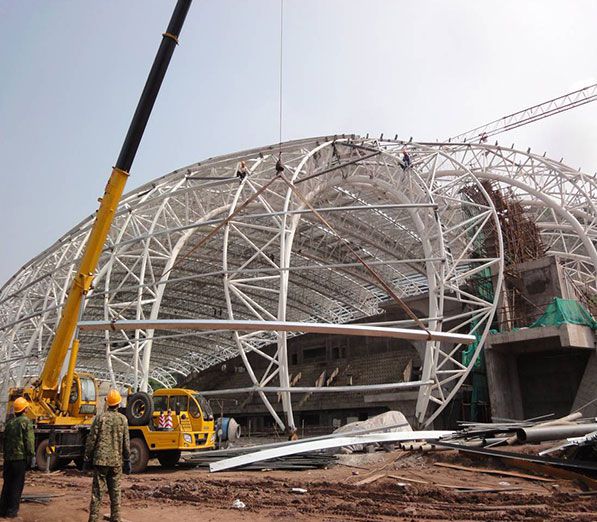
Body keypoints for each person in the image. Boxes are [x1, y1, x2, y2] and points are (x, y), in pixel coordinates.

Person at [83, 389, 131, 522]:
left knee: (97, 493)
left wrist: (87, 458)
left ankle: (93, 519)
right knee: (115, 493)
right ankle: (116, 518)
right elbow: (126, 442)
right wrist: (127, 459)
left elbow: (92, 439)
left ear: (107, 403)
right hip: (116, 462)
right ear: (119, 404)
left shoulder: (100, 418)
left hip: (100, 461)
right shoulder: (123, 420)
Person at [0, 397, 35, 518]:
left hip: (8, 459)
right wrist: (31, 455)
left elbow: (4, 440)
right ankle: (11, 512)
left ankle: (2, 510)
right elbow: (29, 441)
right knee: (17, 485)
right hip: (19, 459)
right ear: (25, 409)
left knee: (7, 484)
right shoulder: (26, 422)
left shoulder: (10, 423)